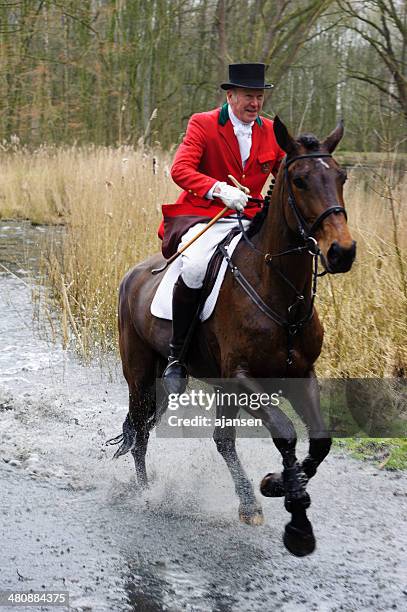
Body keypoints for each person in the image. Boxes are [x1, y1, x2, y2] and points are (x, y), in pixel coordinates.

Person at [159, 63, 285, 393]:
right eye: (247, 96)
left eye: (259, 97)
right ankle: (177, 357)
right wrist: (219, 189)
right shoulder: (203, 124)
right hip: (204, 214)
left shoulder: (271, 131)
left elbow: (288, 173)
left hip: (250, 217)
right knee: (198, 267)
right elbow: (180, 170)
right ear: (231, 95)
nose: (254, 103)